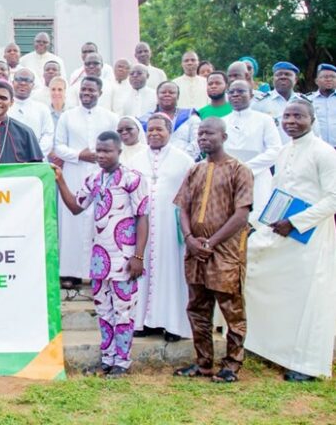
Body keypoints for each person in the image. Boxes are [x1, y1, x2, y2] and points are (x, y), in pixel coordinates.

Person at [245, 100, 336, 381]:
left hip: (312, 235)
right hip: (282, 231)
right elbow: (278, 195)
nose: (291, 121)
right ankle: (269, 348)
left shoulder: (324, 152)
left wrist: (296, 222)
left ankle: (306, 364)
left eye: (298, 116)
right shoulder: (284, 151)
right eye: (287, 116)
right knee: (268, 283)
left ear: (312, 119)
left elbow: (333, 199)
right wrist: (256, 224)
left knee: (308, 299)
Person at [53, 131, 149, 378]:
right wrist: (60, 180)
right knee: (104, 312)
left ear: (119, 151)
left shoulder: (133, 178)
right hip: (99, 260)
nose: (102, 155)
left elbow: (142, 217)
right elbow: (75, 207)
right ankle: (107, 359)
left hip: (125, 258)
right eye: (99, 150)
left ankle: (122, 362)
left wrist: (138, 257)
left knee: (123, 313)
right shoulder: (94, 178)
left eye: (107, 151)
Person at [173, 117, 254, 383]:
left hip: (225, 252)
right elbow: (183, 207)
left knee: (232, 309)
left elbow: (241, 215)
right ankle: (203, 363)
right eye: (200, 134)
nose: (203, 138)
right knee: (197, 308)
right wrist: (189, 238)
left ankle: (232, 365)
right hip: (195, 251)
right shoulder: (195, 170)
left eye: (209, 133)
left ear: (224, 137)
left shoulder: (239, 170)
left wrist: (212, 242)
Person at [132, 114, 194, 342]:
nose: (154, 133)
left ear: (170, 131)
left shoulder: (185, 160)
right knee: (143, 272)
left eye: (159, 129)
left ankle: (172, 324)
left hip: (170, 226)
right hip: (142, 225)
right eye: (150, 130)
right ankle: (142, 322)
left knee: (171, 272)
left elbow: (191, 195)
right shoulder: (135, 160)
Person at [54, 76, 120, 287]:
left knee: (99, 222)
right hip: (74, 173)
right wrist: (78, 155)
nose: (87, 93)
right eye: (84, 89)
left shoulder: (111, 118)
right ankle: (70, 272)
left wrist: (101, 157)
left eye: (91, 90)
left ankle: (96, 271)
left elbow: (117, 146)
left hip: (102, 174)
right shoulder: (67, 116)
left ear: (100, 93)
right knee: (71, 223)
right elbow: (58, 147)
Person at [225, 80, 281, 221]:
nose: (235, 94)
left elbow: (275, 150)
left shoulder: (265, 120)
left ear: (251, 95)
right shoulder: (222, 121)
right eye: (231, 92)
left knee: (257, 221)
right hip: (228, 178)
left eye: (241, 91)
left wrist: (246, 168)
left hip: (258, 176)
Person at [252, 62, 309, 143]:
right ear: (273, 79)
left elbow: (315, 132)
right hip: (271, 150)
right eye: (279, 74)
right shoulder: (260, 103)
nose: (283, 77)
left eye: (287, 74)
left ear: (295, 79)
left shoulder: (305, 103)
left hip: (300, 149)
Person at [147, 81, 201, 159]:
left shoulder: (191, 117)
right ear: (157, 96)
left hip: (186, 160)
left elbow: (197, 141)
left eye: (171, 92)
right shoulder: (147, 120)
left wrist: (181, 159)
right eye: (163, 92)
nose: (167, 94)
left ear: (178, 97)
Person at [9, 68, 54, 156]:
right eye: (19, 79)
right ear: (12, 83)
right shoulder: (4, 108)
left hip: (36, 159)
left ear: (33, 85)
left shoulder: (42, 109)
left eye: (27, 80)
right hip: (9, 159)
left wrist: (35, 154)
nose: (23, 83)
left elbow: (48, 135)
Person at [306, 63, 336, 148]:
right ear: (316, 81)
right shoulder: (307, 100)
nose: (329, 79)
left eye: (333, 77)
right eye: (325, 77)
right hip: (316, 148)